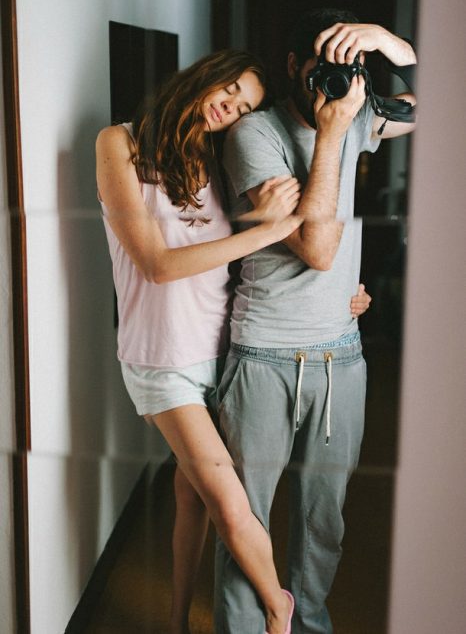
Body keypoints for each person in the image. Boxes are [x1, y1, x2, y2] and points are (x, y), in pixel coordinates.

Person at [96, 47, 372, 634]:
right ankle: (280, 611)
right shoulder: (118, 144)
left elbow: (247, 251)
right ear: (204, 77)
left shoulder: (219, 154)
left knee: (194, 495)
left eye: (244, 104)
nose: (230, 108)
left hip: (224, 347)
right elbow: (158, 265)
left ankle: (175, 619)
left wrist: (343, 287)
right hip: (160, 358)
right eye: (229, 91)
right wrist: (271, 228)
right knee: (228, 500)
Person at [213, 10, 416, 634]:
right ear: (296, 67)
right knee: (246, 521)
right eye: (325, 65)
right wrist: (333, 136)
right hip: (264, 357)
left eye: (350, 66)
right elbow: (318, 250)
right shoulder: (255, 134)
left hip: (341, 356)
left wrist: (392, 45)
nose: (336, 78)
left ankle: (309, 627)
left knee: (321, 523)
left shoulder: (361, 115)